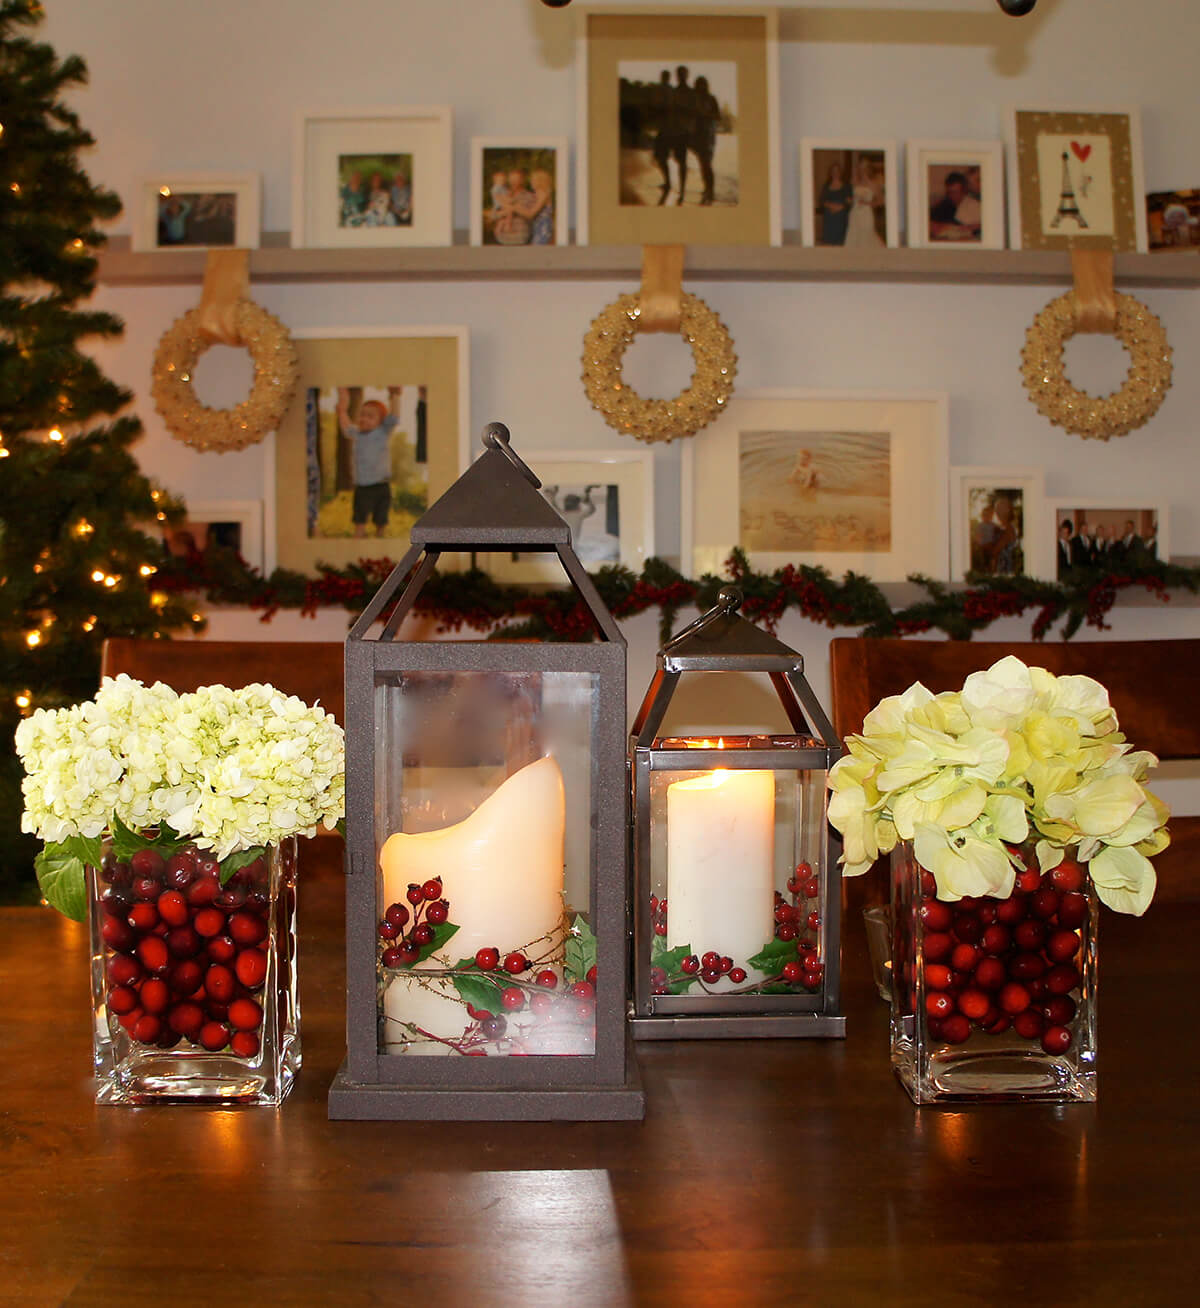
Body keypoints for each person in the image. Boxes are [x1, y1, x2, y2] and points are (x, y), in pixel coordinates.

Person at [338, 386, 402, 539]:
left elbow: (394, 416)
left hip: (381, 485)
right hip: (363, 487)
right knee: (360, 521)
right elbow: (346, 426)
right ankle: (358, 542)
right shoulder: (357, 434)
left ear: (380, 421)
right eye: (362, 415)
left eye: (370, 416)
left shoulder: (382, 432)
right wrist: (342, 409)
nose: (364, 419)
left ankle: (379, 544)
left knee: (381, 522)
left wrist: (395, 395)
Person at [929, 170, 981, 241]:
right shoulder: (944, 203)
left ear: (964, 191)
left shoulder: (974, 205)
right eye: (949, 192)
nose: (951, 196)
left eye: (955, 192)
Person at [845, 159, 884, 247]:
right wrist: (851, 200)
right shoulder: (855, 182)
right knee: (854, 235)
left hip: (866, 213)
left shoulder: (873, 184)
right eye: (860, 168)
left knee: (867, 235)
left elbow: (881, 201)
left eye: (864, 168)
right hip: (855, 213)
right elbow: (853, 198)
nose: (862, 170)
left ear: (868, 169)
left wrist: (867, 204)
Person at [512, 167, 556, 245]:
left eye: (533, 180)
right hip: (537, 226)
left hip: (543, 227)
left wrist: (514, 207)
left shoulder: (543, 194)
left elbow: (530, 214)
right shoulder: (536, 194)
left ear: (539, 181)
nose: (531, 182)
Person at [817, 162, 852, 246]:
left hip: (841, 218)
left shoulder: (846, 186)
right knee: (828, 243)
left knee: (840, 242)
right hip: (829, 218)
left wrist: (840, 207)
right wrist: (830, 206)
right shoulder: (826, 186)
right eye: (833, 171)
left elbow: (849, 202)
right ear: (830, 173)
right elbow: (821, 200)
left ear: (840, 173)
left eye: (837, 171)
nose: (835, 173)